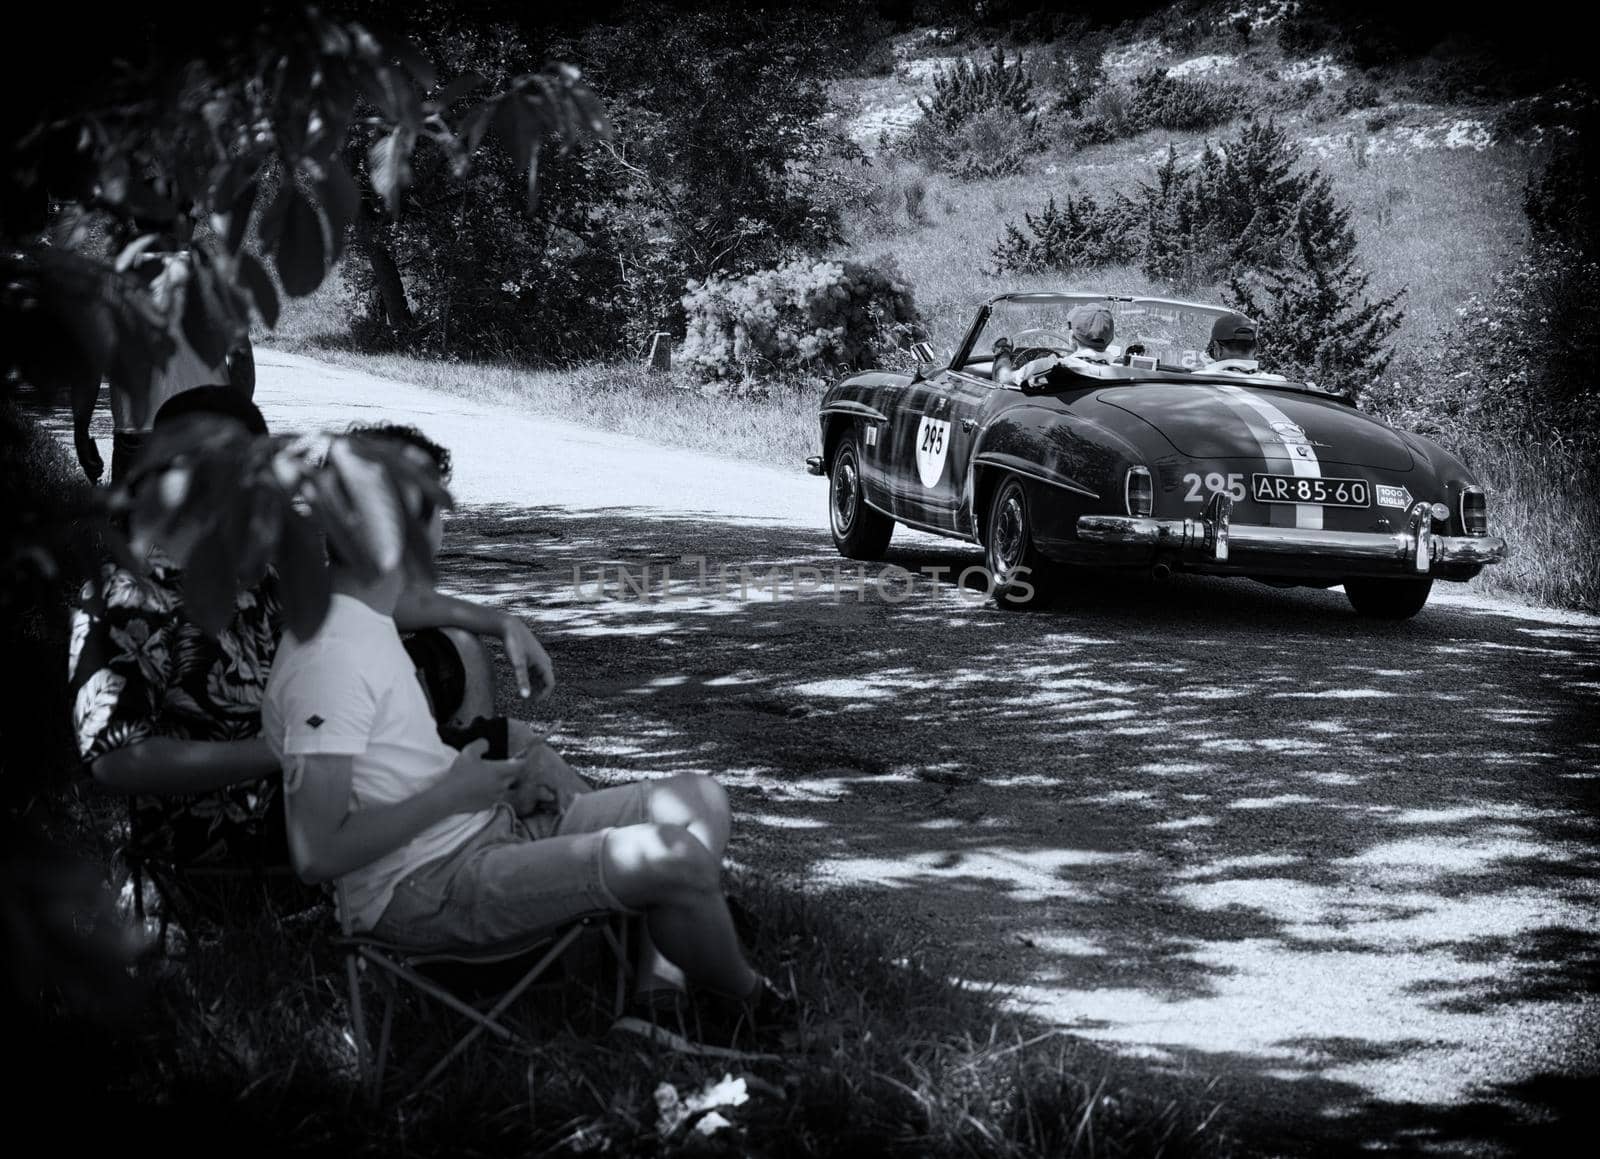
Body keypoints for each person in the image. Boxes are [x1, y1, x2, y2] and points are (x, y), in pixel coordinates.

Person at [261, 425, 794, 1049]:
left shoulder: (352, 609)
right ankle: (757, 1007)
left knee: (698, 799)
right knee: (673, 857)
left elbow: (404, 609)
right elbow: (316, 854)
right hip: (427, 891)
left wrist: (498, 621)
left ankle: (656, 1007)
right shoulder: (329, 662)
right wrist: (455, 795)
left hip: (481, 832)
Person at [67, 389, 554, 887]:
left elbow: (364, 600)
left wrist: (497, 621)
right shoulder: (125, 595)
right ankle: (460, 867)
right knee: (499, 765)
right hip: (228, 832)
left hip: (317, 778)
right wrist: (279, 752)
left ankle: (480, 841)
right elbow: (115, 760)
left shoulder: (250, 571)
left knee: (462, 665)